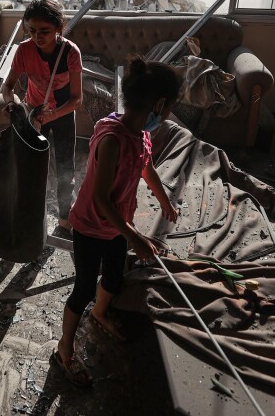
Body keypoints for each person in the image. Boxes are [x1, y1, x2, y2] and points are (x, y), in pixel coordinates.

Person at [51, 56, 182, 387]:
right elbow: (100, 200)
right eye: (167, 111)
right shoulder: (112, 139)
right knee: (82, 288)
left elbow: (145, 166)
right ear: (160, 104)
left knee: (112, 277)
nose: (166, 117)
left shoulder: (140, 133)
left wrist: (164, 198)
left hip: (116, 226)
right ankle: (64, 349)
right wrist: (135, 236)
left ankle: (100, 313)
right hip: (92, 226)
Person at [3, 0, 83, 230]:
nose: (37, 37)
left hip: (63, 114)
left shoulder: (70, 53)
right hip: (34, 114)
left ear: (59, 28)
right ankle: (31, 220)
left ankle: (65, 220)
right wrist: (13, 104)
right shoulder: (24, 51)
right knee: (31, 167)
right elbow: (8, 87)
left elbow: (77, 99)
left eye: (45, 31)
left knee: (65, 168)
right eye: (32, 30)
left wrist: (54, 114)